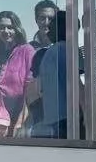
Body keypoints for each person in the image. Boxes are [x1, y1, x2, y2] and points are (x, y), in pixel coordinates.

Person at [24, 8, 70, 139]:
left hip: (51, 119)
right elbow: (34, 89)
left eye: (51, 19)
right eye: (42, 18)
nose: (47, 23)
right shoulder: (32, 50)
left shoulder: (56, 50)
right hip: (51, 118)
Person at [0, 11, 35, 136]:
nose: (6, 31)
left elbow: (30, 88)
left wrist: (21, 120)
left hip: (22, 116)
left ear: (17, 29)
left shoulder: (27, 51)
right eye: (1, 27)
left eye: (10, 27)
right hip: (1, 119)